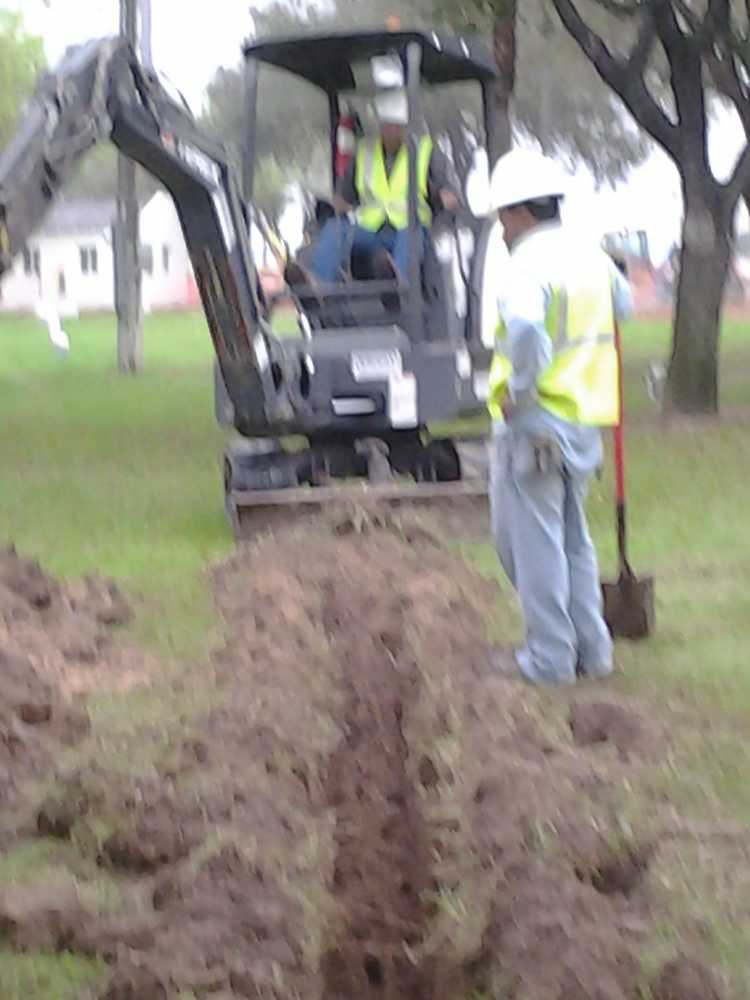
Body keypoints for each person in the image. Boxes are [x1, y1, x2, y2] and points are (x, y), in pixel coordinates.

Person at [486, 148, 633, 688]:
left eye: (503, 217)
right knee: (575, 540)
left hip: (537, 422)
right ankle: (593, 652)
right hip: (585, 421)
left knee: (533, 541)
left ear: (519, 212)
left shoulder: (524, 265)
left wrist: (520, 390)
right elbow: (625, 305)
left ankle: (549, 659)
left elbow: (524, 329)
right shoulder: (590, 255)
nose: (501, 230)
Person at [288, 89, 460, 289]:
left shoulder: (426, 152)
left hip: (410, 231)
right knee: (335, 230)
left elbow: (447, 192)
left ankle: (399, 287)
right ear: (381, 125)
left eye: (399, 126)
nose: (394, 131)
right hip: (371, 230)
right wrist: (331, 204)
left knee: (410, 234)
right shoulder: (364, 153)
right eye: (389, 126)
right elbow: (346, 198)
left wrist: (445, 197)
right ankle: (318, 285)